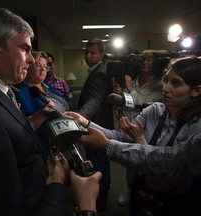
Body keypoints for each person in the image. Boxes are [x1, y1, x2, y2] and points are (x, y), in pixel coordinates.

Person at [0, 7, 101, 216]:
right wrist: (55, 184)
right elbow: (7, 207)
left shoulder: (1, 92)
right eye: (25, 49)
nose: (32, 60)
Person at [66, 56, 201, 216]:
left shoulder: (196, 126)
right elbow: (118, 135)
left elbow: (170, 164)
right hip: (142, 191)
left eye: (176, 83)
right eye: (166, 80)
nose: (165, 88)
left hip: (177, 202)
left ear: (196, 90)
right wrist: (85, 122)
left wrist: (134, 141)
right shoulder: (154, 111)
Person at [113, 49, 167, 206]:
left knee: (145, 159)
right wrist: (121, 93)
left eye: (149, 60)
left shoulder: (160, 82)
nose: (145, 62)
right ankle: (130, 190)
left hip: (148, 127)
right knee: (130, 160)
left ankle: (148, 192)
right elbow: (129, 102)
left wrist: (129, 88)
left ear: (155, 64)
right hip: (129, 122)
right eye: (143, 60)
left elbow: (145, 103)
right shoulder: (136, 78)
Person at [77, 37, 114, 213]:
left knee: (98, 166)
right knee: (101, 163)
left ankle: (99, 203)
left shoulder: (99, 73)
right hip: (99, 124)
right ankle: (102, 196)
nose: (88, 55)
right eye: (87, 52)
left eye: (93, 52)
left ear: (102, 54)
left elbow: (94, 100)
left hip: (95, 127)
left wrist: (79, 118)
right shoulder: (98, 70)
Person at [15, 51, 70, 157]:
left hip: (66, 139)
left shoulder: (47, 86)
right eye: (38, 65)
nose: (43, 69)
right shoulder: (20, 92)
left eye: (45, 66)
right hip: (44, 148)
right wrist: (45, 112)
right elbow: (22, 128)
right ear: (28, 66)